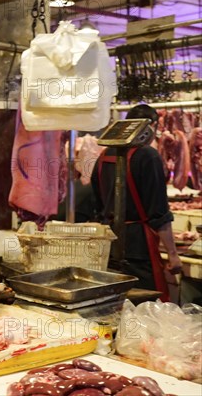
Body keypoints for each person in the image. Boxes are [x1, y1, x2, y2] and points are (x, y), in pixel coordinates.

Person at [91, 104, 182, 301]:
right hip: (140, 248)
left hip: (109, 246)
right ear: (151, 127)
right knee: (146, 306)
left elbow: (98, 205)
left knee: (116, 305)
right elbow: (159, 213)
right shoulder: (147, 156)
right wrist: (173, 255)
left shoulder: (103, 156)